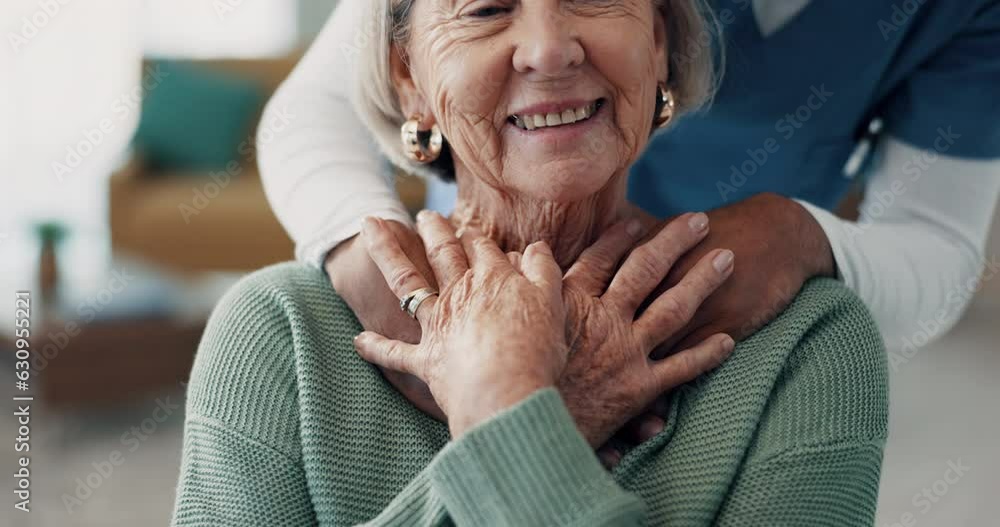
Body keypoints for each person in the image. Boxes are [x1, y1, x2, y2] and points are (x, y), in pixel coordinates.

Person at [172, 0, 888, 524]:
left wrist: (501, 414)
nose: (549, 49)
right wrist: (528, 417)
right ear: (408, 76)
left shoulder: (809, 342)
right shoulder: (276, 335)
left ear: (661, 41)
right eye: (486, 8)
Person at [258, 0, 1000, 357]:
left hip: (735, 342)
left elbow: (937, 239)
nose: (547, 50)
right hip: (474, 291)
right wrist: (405, 291)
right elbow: (315, 109)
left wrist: (799, 236)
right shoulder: (278, 332)